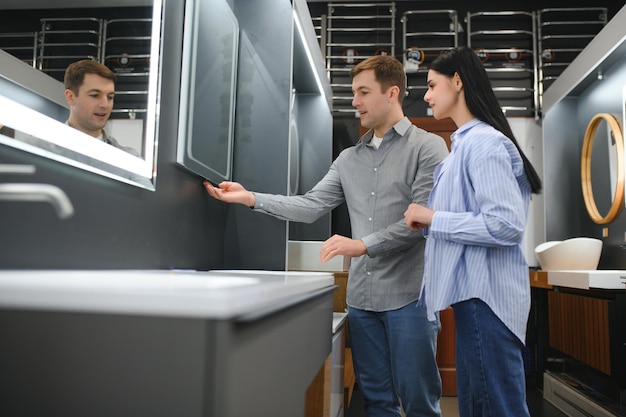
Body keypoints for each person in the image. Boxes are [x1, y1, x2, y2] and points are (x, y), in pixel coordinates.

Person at [204, 55, 448, 416]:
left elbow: (421, 220)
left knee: (419, 402)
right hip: (362, 300)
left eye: (363, 92)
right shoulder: (348, 159)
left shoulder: (428, 147)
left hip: (410, 298)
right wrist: (251, 198)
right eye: (354, 92)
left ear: (392, 92)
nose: (355, 101)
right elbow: (310, 205)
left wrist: (362, 244)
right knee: (377, 402)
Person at [403, 46, 542, 417]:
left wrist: (432, 218)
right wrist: (429, 222)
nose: (427, 96)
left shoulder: (483, 143)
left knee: (496, 409)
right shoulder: (463, 145)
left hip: (487, 301)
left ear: (459, 81)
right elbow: (471, 222)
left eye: (432, 85)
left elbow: (505, 226)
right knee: (481, 407)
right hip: (474, 300)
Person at [64, 59, 141, 158]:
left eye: (110, 97)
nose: (105, 105)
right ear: (70, 97)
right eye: (95, 95)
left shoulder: (129, 160)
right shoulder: (45, 149)